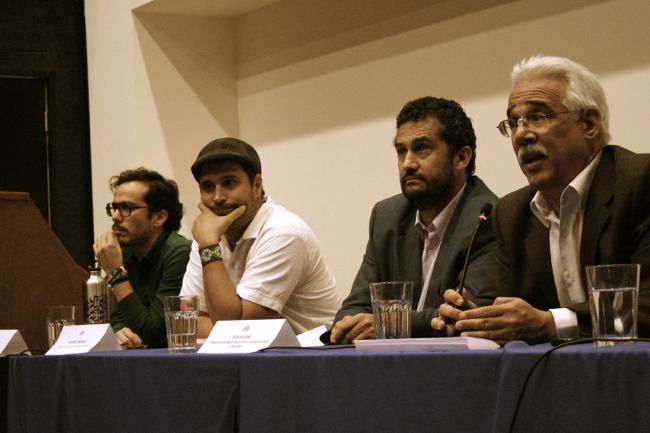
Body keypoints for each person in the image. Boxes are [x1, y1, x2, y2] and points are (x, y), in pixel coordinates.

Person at [433, 55, 650, 345]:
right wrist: (472, 316)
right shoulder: (513, 213)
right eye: (513, 122)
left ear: (589, 123)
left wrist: (552, 324)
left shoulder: (639, 182)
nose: (521, 134)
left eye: (538, 116)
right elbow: (495, 302)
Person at [328, 96, 498, 344]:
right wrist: (358, 324)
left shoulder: (489, 218)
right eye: (401, 151)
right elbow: (353, 310)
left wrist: (388, 323)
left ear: (461, 158)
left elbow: (466, 316)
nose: (408, 163)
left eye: (422, 148)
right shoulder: (387, 216)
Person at [180, 137, 341, 338]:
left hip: (315, 359)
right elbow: (186, 321)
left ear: (257, 186)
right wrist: (207, 244)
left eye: (229, 183)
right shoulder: (207, 237)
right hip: (258, 359)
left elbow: (236, 331)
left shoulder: (284, 231)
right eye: (208, 187)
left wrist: (209, 247)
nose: (218, 197)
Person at [94, 168, 191, 348]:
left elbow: (155, 333)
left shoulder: (180, 252)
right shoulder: (126, 250)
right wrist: (120, 330)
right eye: (114, 208)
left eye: (126, 208)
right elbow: (118, 316)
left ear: (159, 217)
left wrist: (116, 273)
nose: (115, 217)